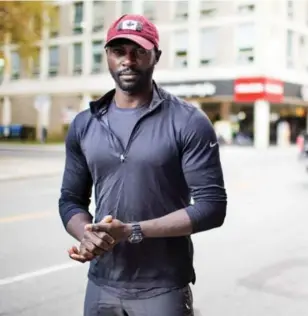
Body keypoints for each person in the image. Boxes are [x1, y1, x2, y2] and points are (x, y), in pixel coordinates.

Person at [59, 14, 227, 316]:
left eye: (138, 50)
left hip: (162, 288)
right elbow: (70, 200)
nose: (128, 60)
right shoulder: (85, 124)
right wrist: (86, 233)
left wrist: (134, 230)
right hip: (101, 285)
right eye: (119, 51)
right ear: (107, 56)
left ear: (156, 56)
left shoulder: (188, 121)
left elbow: (212, 207)